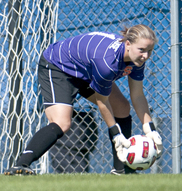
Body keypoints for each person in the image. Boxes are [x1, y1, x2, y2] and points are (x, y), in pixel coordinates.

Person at [4, 24, 163, 175]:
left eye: (150, 50)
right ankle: (21, 165)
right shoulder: (107, 63)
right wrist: (116, 134)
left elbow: (138, 95)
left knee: (122, 107)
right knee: (62, 123)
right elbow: (103, 102)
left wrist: (150, 128)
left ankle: (122, 171)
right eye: (142, 50)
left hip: (86, 70)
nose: (146, 56)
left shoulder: (138, 58)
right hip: (59, 67)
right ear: (128, 43)